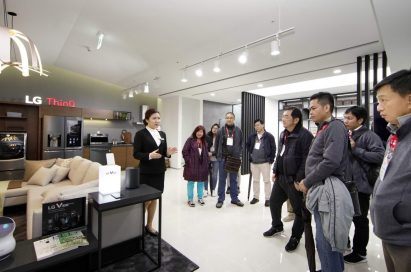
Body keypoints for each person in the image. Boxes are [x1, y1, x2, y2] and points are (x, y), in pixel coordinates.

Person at [295, 92, 354, 272]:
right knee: (323, 237)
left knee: (328, 239)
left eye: (314, 108)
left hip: (329, 187)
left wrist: (307, 181)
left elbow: (331, 161)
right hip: (321, 187)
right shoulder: (324, 127)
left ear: (327, 107)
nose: (310, 112)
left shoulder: (335, 127)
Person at [370, 69, 411, 272]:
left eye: (384, 100)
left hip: (406, 236)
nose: (379, 108)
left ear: (409, 100)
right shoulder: (396, 134)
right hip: (390, 230)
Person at [263, 107, 314, 255]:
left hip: (294, 180)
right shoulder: (283, 133)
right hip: (281, 177)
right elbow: (280, 153)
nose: (283, 118)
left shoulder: (305, 136)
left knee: (299, 211)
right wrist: (275, 170)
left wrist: (299, 178)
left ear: (296, 119)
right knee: (274, 202)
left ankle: (295, 236)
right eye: (282, 116)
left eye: (286, 116)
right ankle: (277, 226)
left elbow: (307, 159)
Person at [343, 106, 385, 264]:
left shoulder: (369, 136)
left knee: (360, 220)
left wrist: (356, 149)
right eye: (345, 117)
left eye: (349, 118)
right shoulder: (348, 134)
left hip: (360, 185)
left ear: (360, 120)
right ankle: (345, 243)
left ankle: (360, 252)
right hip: (346, 182)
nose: (345, 121)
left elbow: (380, 156)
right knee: (345, 216)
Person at [133, 108, 177, 236]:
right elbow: (136, 154)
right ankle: (136, 225)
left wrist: (168, 154)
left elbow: (163, 153)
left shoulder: (162, 134)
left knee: (155, 199)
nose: (157, 120)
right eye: (154, 118)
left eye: (158, 118)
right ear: (147, 120)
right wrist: (149, 156)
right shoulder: (140, 134)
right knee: (146, 200)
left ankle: (149, 225)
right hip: (146, 172)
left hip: (159, 171)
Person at [215, 112, 244, 208]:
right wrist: (218, 155)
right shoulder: (220, 130)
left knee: (233, 180)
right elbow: (216, 145)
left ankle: (234, 199)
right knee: (222, 179)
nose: (229, 119)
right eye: (227, 117)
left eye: (231, 117)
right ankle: (220, 199)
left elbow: (241, 143)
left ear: (234, 119)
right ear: (225, 119)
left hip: (234, 158)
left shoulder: (238, 130)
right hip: (223, 158)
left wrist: (238, 154)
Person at [246, 119, 276, 206]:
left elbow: (273, 148)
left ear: (263, 125)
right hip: (254, 162)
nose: (256, 127)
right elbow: (247, 145)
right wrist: (251, 153)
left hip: (265, 163)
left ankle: (268, 198)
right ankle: (256, 197)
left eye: (258, 125)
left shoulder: (269, 136)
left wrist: (271, 159)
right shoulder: (252, 136)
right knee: (255, 181)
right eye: (255, 125)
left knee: (266, 181)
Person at [182, 125, 209, 207]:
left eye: (201, 132)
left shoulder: (204, 141)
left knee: (201, 182)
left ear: (203, 133)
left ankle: (200, 198)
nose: (199, 133)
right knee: (191, 182)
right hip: (192, 165)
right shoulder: (190, 140)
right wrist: (189, 161)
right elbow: (184, 151)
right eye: (198, 131)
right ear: (195, 132)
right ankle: (190, 199)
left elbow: (205, 153)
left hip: (202, 165)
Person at [205, 123, 219, 197]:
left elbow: (220, 149)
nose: (214, 129)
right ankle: (205, 190)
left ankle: (213, 190)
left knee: (214, 175)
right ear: (211, 128)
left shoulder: (220, 137)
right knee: (206, 174)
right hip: (207, 158)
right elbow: (204, 146)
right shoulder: (207, 136)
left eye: (216, 128)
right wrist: (207, 153)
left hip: (216, 158)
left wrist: (212, 153)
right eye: (213, 128)